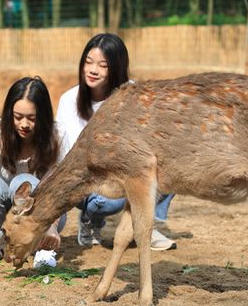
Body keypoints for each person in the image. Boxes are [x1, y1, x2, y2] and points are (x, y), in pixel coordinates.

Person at [56, 33, 177, 251]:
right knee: (109, 201)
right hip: (91, 180)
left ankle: (148, 224)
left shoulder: (133, 94)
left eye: (103, 65)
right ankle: (90, 220)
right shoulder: (69, 100)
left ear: (117, 67)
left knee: (173, 162)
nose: (93, 70)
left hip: (129, 170)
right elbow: (71, 157)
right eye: (88, 62)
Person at [0, 76, 68, 269]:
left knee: (24, 181)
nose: (24, 124)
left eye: (32, 118)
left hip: (45, 217)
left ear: (43, 116)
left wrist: (51, 227)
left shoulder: (57, 135)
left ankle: (42, 247)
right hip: (5, 216)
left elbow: (61, 188)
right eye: (17, 117)